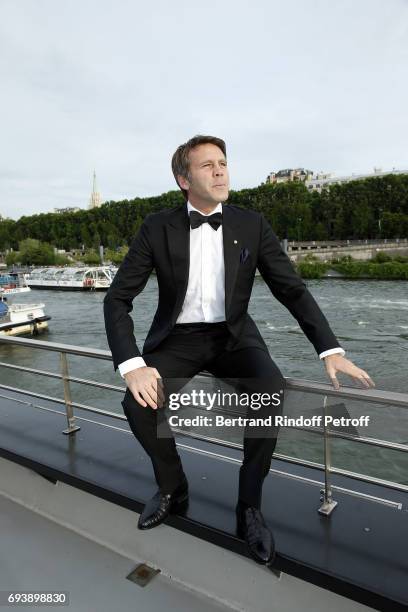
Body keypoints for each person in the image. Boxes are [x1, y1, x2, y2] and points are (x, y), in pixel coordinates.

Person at [103, 134, 375, 565]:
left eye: (223, 163)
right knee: (138, 404)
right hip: (179, 338)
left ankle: (249, 507)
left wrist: (330, 349)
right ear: (183, 180)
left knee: (269, 389)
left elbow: (292, 289)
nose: (220, 171)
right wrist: (131, 364)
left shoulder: (252, 223)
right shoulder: (157, 227)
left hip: (234, 335)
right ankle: (173, 486)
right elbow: (117, 298)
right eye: (207, 165)